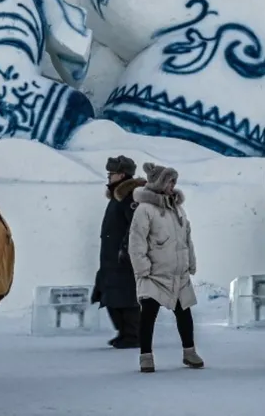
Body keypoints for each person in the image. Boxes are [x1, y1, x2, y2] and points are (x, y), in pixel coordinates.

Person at [129, 161, 203, 372]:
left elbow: (187, 237)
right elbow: (136, 241)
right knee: (148, 314)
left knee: (184, 312)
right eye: (170, 181)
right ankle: (146, 356)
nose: (173, 185)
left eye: (174, 182)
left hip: (178, 274)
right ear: (159, 184)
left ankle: (189, 352)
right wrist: (142, 268)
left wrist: (191, 261)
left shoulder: (177, 209)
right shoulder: (144, 210)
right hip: (154, 274)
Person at [93, 156, 143, 349]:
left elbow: (135, 226)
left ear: (121, 174)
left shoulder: (130, 196)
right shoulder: (118, 195)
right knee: (110, 294)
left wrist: (125, 250)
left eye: (111, 174)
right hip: (111, 257)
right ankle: (124, 332)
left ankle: (132, 335)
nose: (109, 177)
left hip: (123, 258)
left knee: (126, 296)